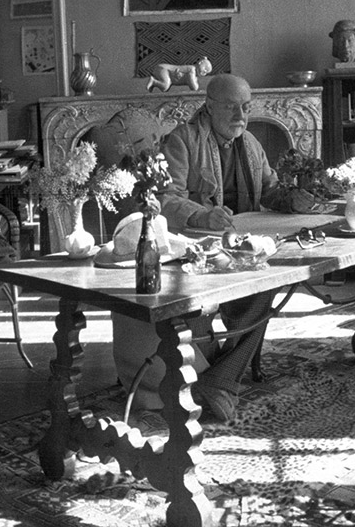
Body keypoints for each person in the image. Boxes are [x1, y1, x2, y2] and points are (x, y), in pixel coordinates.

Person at [112, 74, 296, 427]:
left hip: (239, 249)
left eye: (246, 107)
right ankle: (219, 383)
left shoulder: (252, 144)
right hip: (193, 251)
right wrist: (202, 215)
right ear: (209, 106)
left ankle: (217, 382)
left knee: (267, 288)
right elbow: (163, 199)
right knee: (224, 301)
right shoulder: (184, 140)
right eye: (231, 107)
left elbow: (269, 189)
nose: (240, 115)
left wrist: (293, 197)